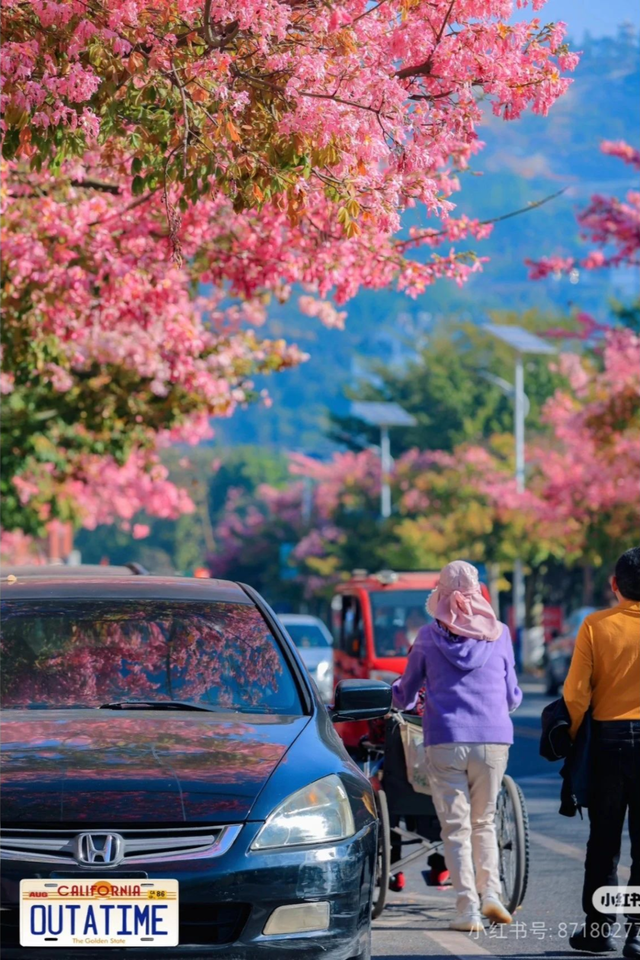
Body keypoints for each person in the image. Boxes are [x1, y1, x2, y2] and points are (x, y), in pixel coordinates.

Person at [392, 560, 522, 932]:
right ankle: (492, 895)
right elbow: (513, 695)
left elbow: (404, 694)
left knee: (456, 827)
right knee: (485, 821)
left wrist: (395, 696)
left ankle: (467, 910)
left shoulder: (428, 638)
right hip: (494, 739)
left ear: (442, 597)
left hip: (446, 739)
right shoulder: (500, 634)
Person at [563, 547, 640, 958]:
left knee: (605, 843)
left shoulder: (595, 626)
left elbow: (575, 694)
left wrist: (574, 736)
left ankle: (599, 930)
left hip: (608, 744)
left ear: (614, 585)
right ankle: (638, 934)